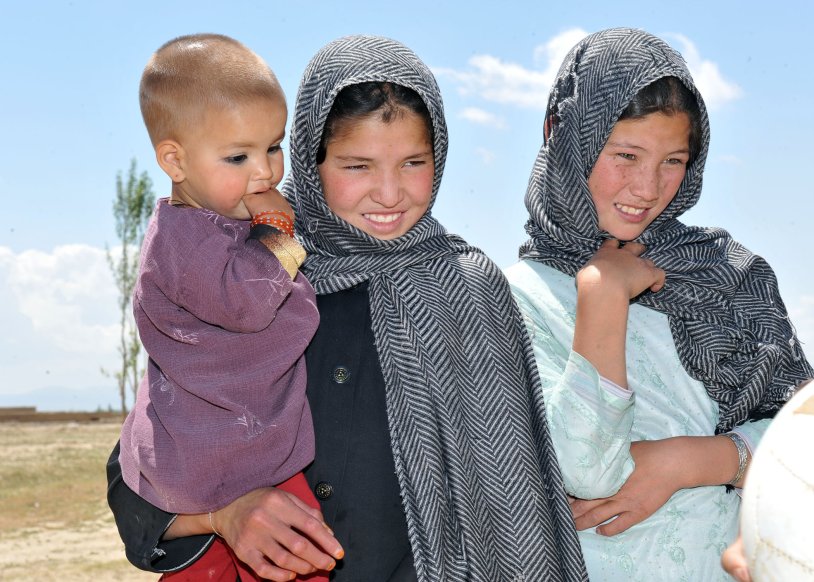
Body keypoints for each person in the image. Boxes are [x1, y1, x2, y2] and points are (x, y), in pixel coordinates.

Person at [108, 34, 588, 582]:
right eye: (357, 166)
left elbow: (514, 493)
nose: (389, 193)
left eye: (413, 162)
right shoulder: (247, 273)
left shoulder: (468, 289)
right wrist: (225, 514)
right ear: (311, 161)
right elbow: (138, 471)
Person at [505, 27, 814, 581]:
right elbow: (588, 474)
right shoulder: (507, 300)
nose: (647, 187)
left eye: (673, 160)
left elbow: (805, 434)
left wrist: (693, 460)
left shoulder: (724, 274)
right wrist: (602, 296)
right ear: (560, 133)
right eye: (625, 154)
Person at [116, 33, 338, 581]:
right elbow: (248, 300)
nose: (264, 172)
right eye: (238, 156)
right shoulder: (183, 239)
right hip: (217, 463)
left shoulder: (225, 224)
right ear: (175, 159)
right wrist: (282, 234)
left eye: (273, 146)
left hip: (244, 449)